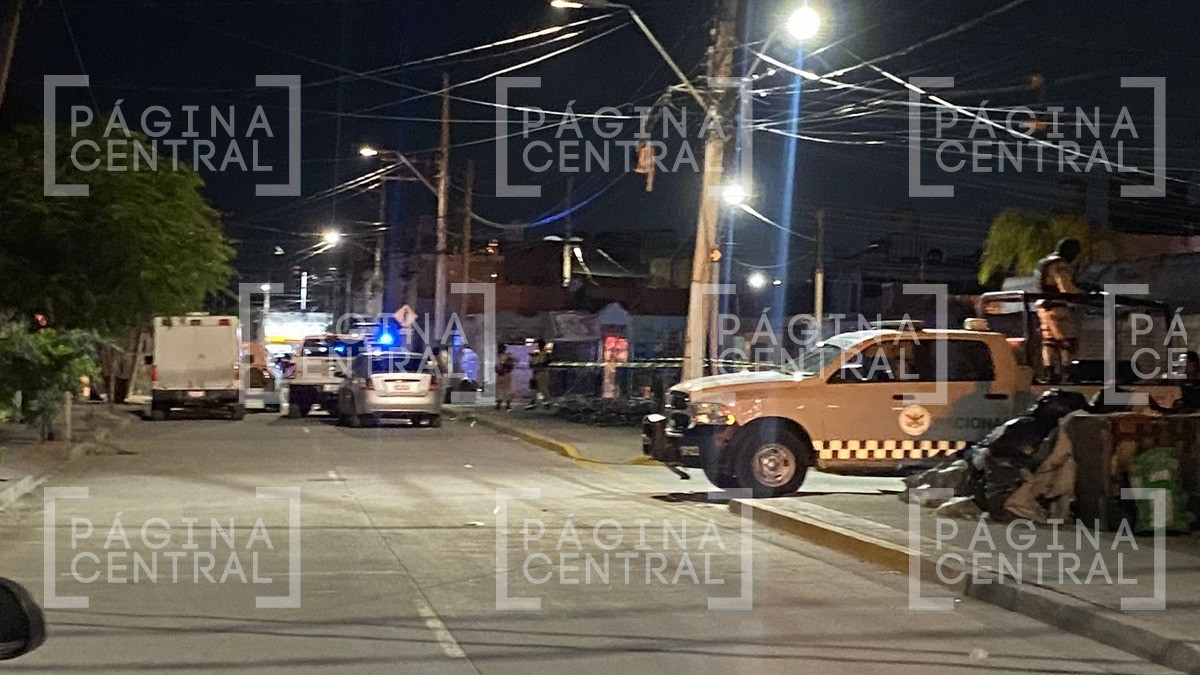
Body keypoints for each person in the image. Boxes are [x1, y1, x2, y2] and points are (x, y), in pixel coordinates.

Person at [1034, 238, 1083, 383]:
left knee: (1049, 342)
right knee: (1067, 341)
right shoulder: (1060, 264)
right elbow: (1066, 287)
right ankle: (1068, 373)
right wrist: (1083, 294)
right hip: (1058, 307)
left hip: (1043, 307)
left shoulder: (1043, 262)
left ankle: (1050, 374)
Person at [526, 339, 552, 409]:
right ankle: (533, 402)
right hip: (535, 373)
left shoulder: (545, 354)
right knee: (534, 388)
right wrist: (532, 361)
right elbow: (531, 364)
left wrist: (536, 363)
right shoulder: (536, 354)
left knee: (543, 388)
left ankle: (547, 402)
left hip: (542, 372)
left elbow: (544, 363)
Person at [494, 344, 515, 410]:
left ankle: (507, 403)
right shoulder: (498, 356)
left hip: (505, 374)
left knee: (506, 389)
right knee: (501, 389)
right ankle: (500, 403)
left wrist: (504, 368)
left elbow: (511, 365)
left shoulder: (507, 356)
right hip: (500, 374)